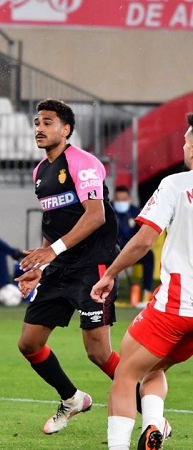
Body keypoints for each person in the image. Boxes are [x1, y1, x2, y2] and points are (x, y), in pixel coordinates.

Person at [15, 99, 121, 434]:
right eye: (36, 122)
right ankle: (72, 398)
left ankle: (149, 408)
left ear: (66, 129)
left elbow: (96, 215)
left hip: (94, 266)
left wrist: (52, 252)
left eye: (47, 122)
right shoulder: (40, 171)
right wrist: (41, 266)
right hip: (60, 268)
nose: (39, 128)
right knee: (29, 343)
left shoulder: (84, 163)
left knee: (98, 352)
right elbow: (53, 226)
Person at [89, 113, 193, 450]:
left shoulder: (177, 184)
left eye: (187, 141)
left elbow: (144, 241)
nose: (183, 147)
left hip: (178, 304)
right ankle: (153, 426)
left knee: (126, 374)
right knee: (153, 366)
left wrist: (110, 273)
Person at [112, 185, 155, 306]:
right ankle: (103, 294)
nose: (121, 202)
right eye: (118, 199)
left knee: (149, 256)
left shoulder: (136, 212)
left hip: (131, 251)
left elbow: (141, 235)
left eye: (124, 199)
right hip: (112, 251)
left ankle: (146, 293)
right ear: (114, 199)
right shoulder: (108, 210)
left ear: (129, 199)